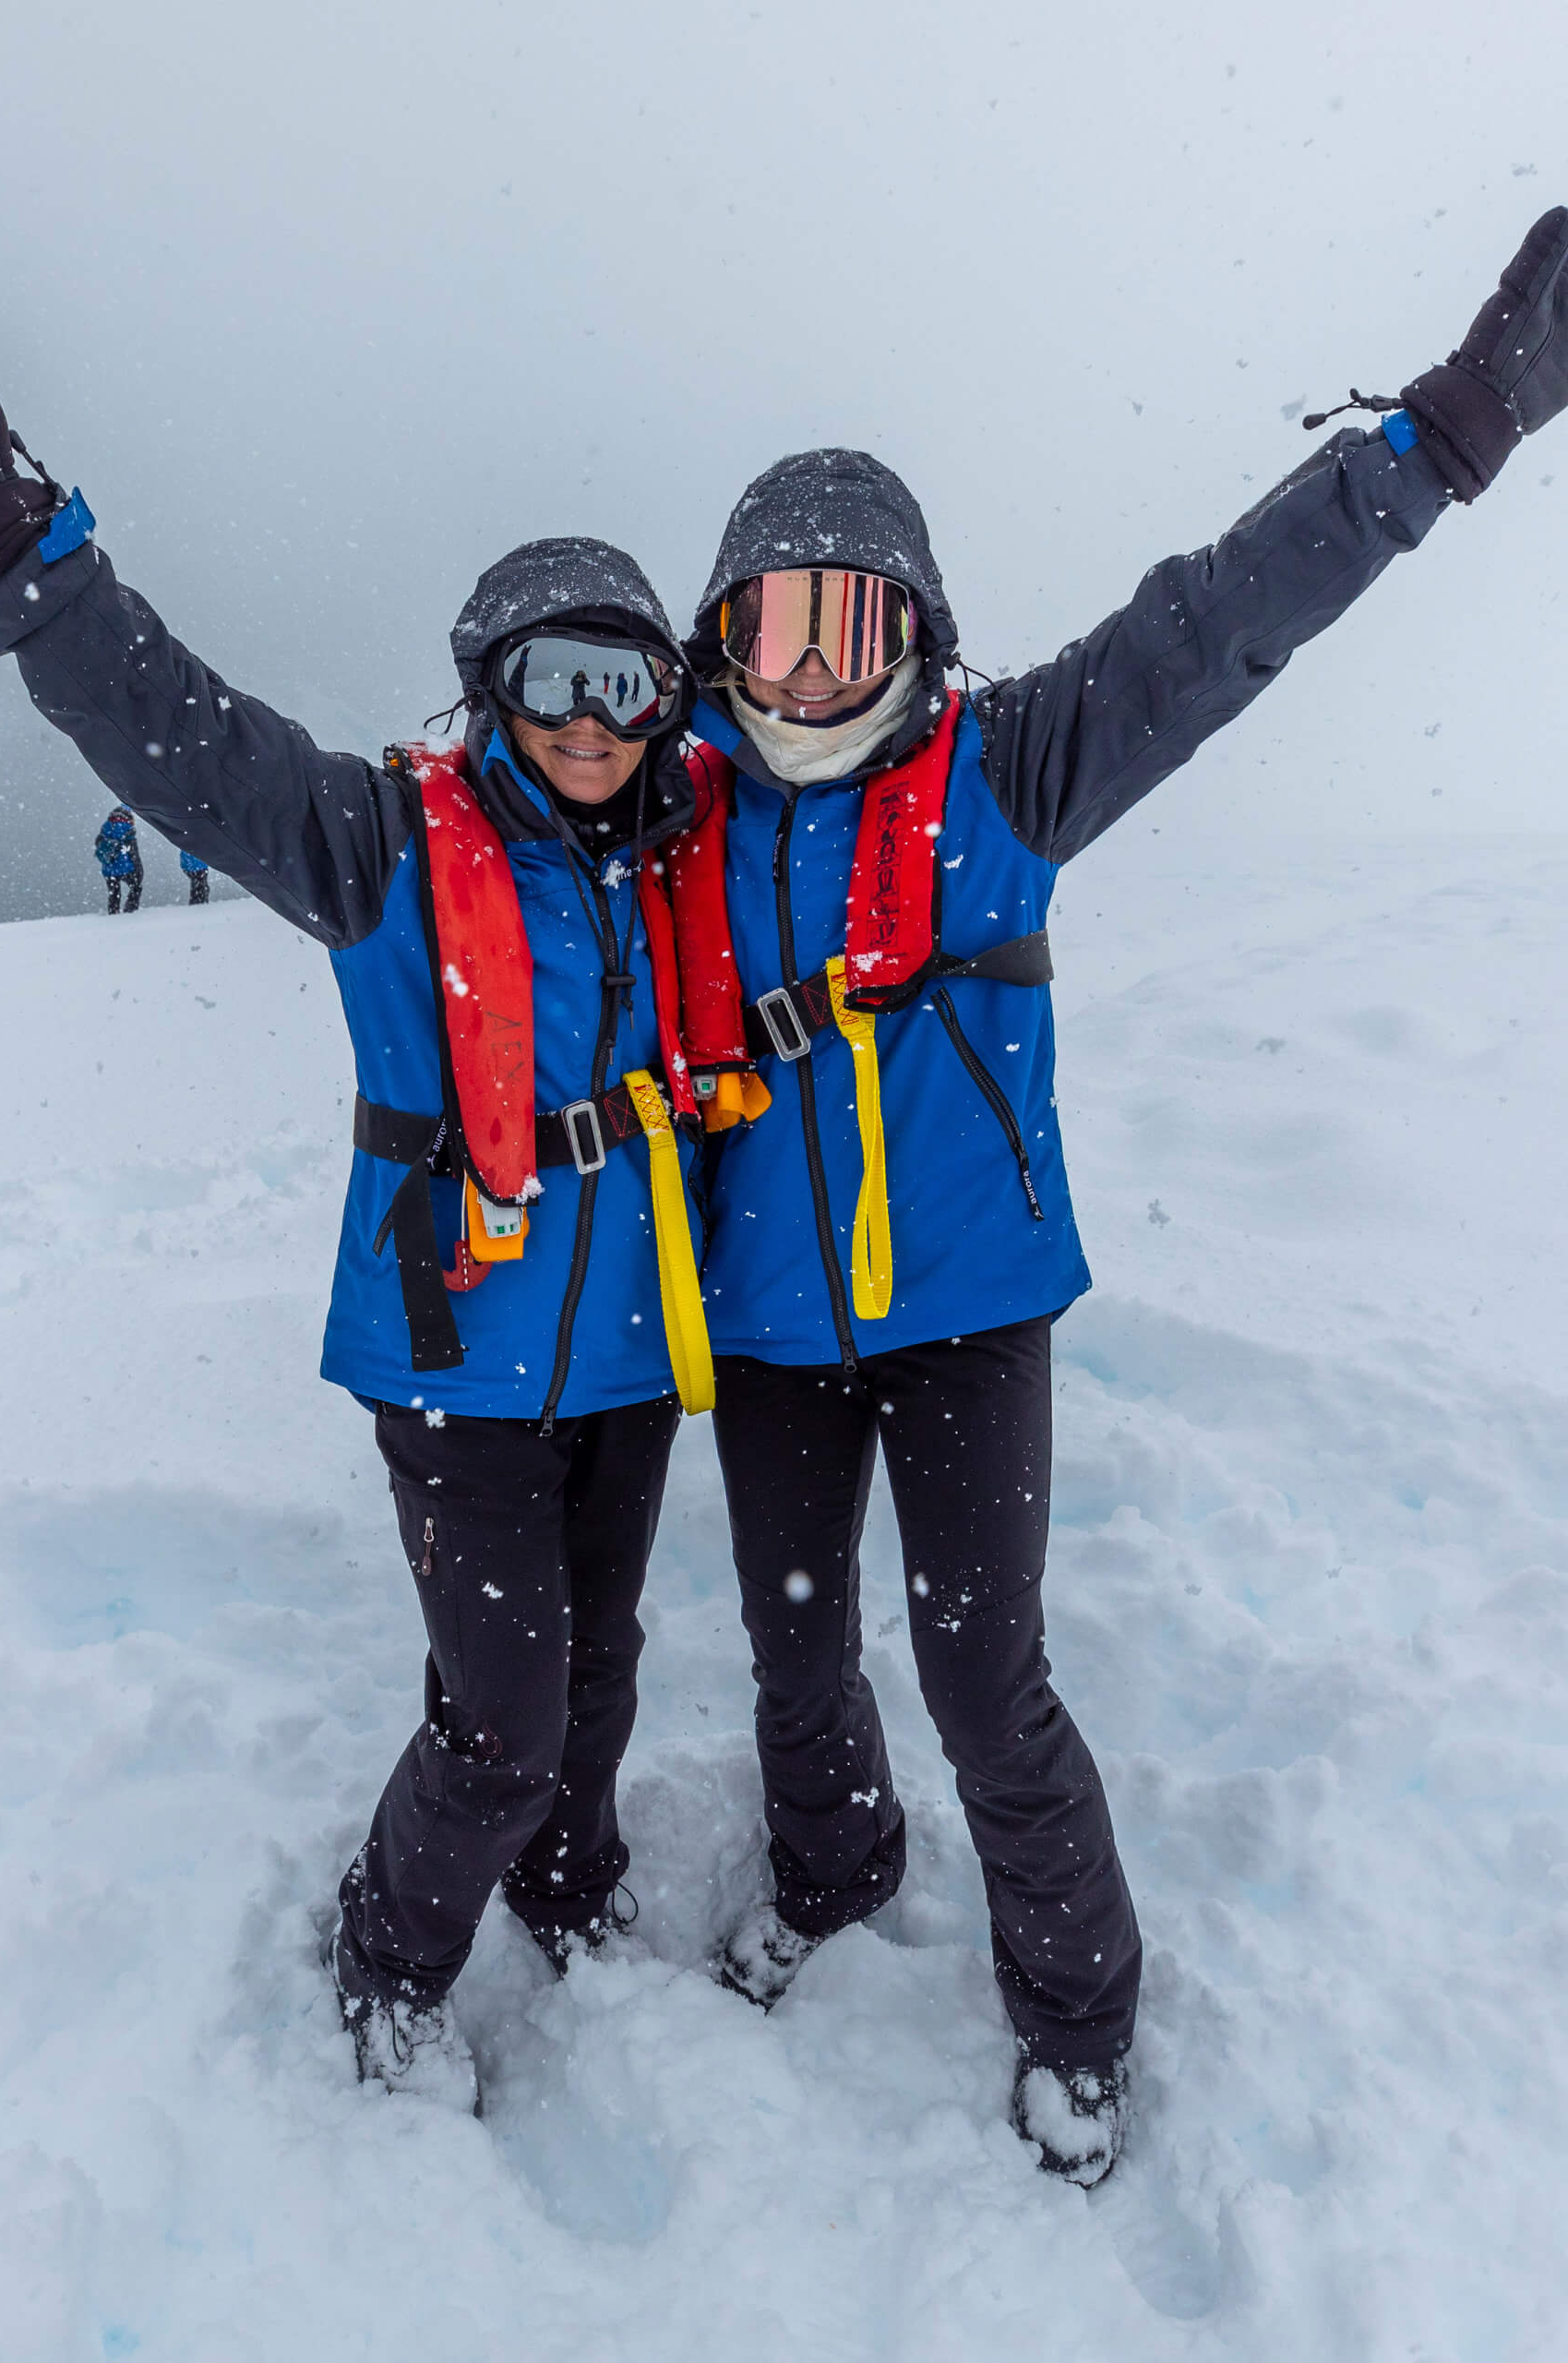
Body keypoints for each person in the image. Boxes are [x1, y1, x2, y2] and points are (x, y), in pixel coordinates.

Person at [657, 209, 1568, 2185]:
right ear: (717, 647)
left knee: (986, 1672)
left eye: (854, 626)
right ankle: (832, 1866)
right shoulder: (676, 816)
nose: (814, 670)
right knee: (795, 1653)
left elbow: (1232, 608)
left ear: (921, 638)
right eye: (775, 628)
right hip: (770, 1325)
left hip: (975, 1309)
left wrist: (1451, 429)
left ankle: (1078, 2008)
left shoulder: (1012, 767)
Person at [0, 263, 728, 2113]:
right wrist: (9, 540)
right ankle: (388, 1955)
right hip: (454, 1346)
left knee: (596, 1676)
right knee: (504, 1717)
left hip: (626, 1351)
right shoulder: (382, 843)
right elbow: (163, 722)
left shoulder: (688, 860)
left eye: (628, 681)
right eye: (556, 678)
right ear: (493, 691)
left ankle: (572, 1884)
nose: (594, 720)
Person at [94, 804, 143, 912]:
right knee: (136, 887)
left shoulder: (106, 827)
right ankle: (130, 911)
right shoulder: (128, 830)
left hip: (109, 869)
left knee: (114, 893)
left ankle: (113, 913)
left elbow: (98, 843)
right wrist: (139, 870)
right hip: (125, 868)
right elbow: (134, 853)